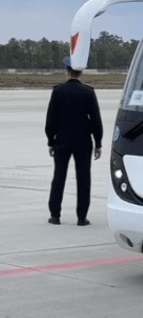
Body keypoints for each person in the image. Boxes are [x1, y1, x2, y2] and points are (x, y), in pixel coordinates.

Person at [45, 57, 104, 226]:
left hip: (62, 140)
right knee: (84, 179)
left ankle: (55, 215)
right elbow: (95, 120)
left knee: (59, 177)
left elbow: (51, 120)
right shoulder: (88, 91)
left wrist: (51, 140)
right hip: (83, 141)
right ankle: (81, 216)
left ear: (67, 71)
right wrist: (98, 142)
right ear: (81, 71)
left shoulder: (58, 91)